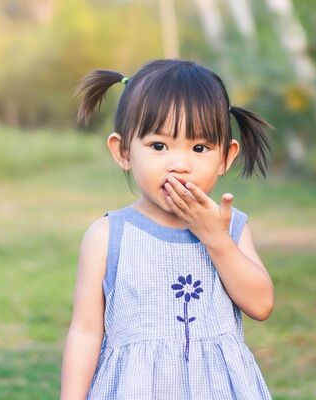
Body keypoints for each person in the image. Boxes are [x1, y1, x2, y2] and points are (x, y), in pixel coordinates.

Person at [60, 59, 274, 399]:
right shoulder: (107, 236)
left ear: (225, 158)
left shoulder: (230, 227)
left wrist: (216, 240)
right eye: (159, 146)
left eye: (199, 148)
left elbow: (261, 304)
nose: (179, 164)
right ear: (124, 151)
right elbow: (86, 333)